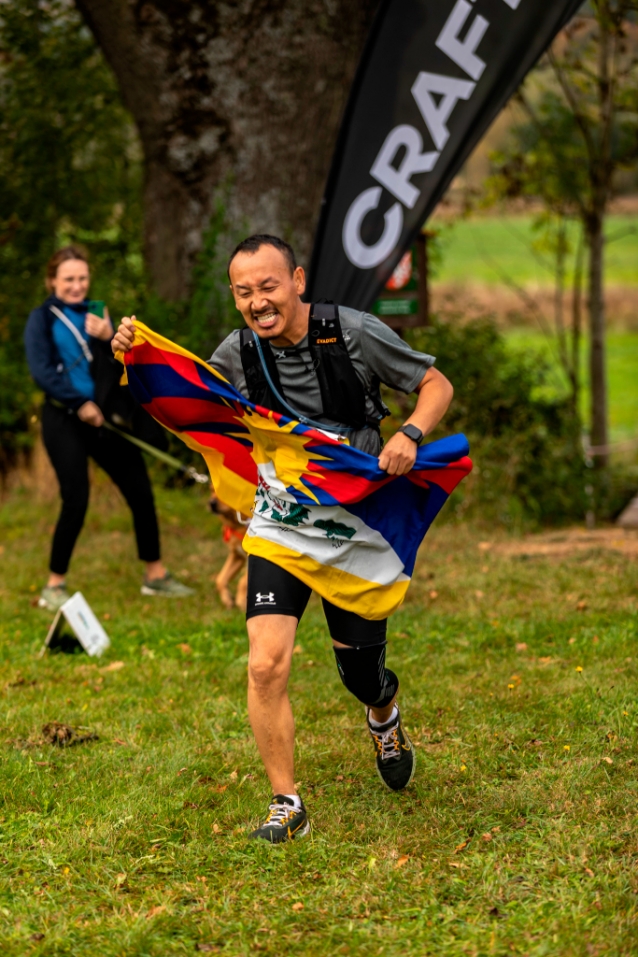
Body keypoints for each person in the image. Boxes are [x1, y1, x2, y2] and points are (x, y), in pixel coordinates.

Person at [112, 234, 453, 843]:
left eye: (268, 287)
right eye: (244, 293)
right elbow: (190, 400)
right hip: (281, 522)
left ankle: (383, 714)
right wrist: (134, 357)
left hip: (354, 524)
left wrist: (410, 434)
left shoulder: (353, 331)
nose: (258, 302)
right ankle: (286, 801)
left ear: (296, 280)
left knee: (361, 674)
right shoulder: (237, 351)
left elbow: (436, 385)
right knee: (265, 665)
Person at [24, 245, 193, 611]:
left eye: (82, 278)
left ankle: (156, 575)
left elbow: (116, 370)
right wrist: (77, 403)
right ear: (52, 280)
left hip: (104, 420)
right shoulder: (42, 318)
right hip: (63, 419)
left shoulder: (99, 312)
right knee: (76, 497)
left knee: (140, 490)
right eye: (68, 279)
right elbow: (40, 371)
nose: (77, 285)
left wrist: (106, 338)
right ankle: (55, 584)